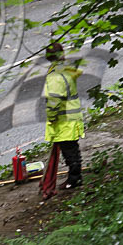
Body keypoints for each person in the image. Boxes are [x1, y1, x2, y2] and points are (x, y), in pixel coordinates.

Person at [42, 42, 84, 191]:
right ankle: (75, 176)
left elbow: (54, 100)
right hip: (72, 116)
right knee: (72, 148)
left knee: (69, 151)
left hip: (63, 120)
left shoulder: (55, 76)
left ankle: (74, 179)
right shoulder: (65, 69)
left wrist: (51, 117)